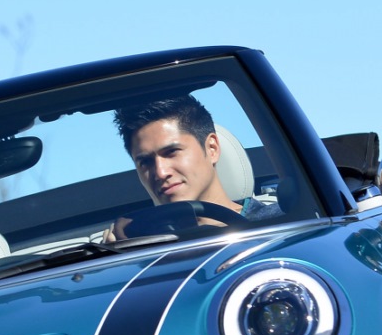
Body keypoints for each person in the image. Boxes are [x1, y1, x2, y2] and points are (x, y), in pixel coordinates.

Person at [109, 95, 281, 237]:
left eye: (172, 152)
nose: (160, 172)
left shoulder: (280, 225)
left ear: (212, 148)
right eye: (145, 162)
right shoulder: (141, 248)